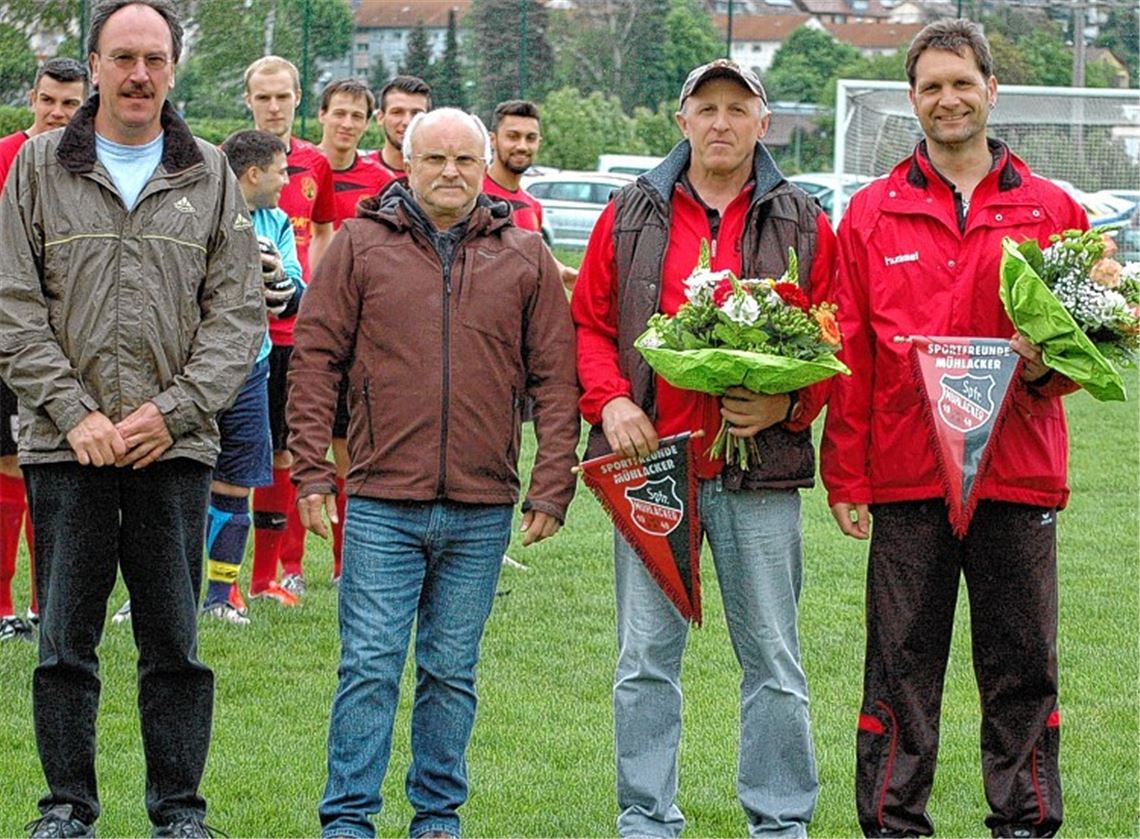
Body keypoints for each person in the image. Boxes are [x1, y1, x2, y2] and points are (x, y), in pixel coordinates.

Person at [819, 19, 1088, 839]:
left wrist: (1043, 367)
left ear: (991, 90)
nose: (948, 98)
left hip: (1016, 475)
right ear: (912, 100)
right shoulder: (868, 214)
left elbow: (1086, 351)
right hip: (907, 482)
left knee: (1021, 671)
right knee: (900, 674)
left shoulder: (1052, 210)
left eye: (961, 82)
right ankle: (895, 826)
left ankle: (1025, 825)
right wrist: (846, 477)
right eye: (931, 86)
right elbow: (850, 360)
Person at [0, 1, 264, 835]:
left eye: (154, 58)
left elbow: (237, 314)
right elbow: (12, 305)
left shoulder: (212, 173)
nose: (139, 73)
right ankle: (66, 806)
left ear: (173, 69)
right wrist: (74, 413)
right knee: (64, 645)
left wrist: (173, 410)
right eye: (123, 58)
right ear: (96, 64)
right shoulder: (37, 167)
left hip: (172, 451)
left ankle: (179, 810)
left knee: (175, 647)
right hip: (63, 446)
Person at [288, 107, 580, 839]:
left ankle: (437, 818)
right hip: (383, 499)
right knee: (369, 667)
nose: (450, 172)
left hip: (482, 506)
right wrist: (314, 472)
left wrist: (551, 482)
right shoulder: (357, 245)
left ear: (485, 169)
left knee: (451, 672)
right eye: (435, 159)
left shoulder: (525, 255)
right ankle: (348, 818)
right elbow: (315, 361)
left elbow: (555, 379)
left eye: (465, 161)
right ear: (406, 164)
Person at [571, 59, 837, 838]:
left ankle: (781, 819)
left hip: (761, 478)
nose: (721, 122)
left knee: (776, 664)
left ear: (765, 121)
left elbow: (833, 331)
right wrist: (612, 398)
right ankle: (647, 817)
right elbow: (588, 324)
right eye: (706, 108)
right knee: (645, 660)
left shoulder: (804, 218)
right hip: (652, 471)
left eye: (738, 107)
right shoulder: (629, 212)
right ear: (680, 121)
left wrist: (789, 401)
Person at [198, 128, 304, 625]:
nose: (287, 180)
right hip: (193, 368)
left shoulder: (277, 220)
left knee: (236, 482)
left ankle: (221, 595)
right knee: (174, 483)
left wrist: (277, 278)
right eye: (282, 171)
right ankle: (154, 594)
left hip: (252, 365)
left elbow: (294, 290)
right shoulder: (196, 209)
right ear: (254, 173)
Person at [0, 56, 89, 644]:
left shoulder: (96, 157)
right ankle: (5, 607)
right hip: (14, 332)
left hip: (75, 339)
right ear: (32, 98)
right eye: (48, 100)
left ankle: (47, 605)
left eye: (70, 104)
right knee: (10, 462)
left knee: (57, 466)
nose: (57, 114)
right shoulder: (6, 155)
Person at [244, 54, 336, 604]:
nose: (273, 106)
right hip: (238, 338)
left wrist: (309, 290)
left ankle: (268, 577)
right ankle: (211, 579)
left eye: (283, 97)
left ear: (298, 98)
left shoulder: (315, 164)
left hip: (292, 332)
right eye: (263, 97)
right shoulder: (226, 161)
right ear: (249, 100)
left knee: (284, 453)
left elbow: (322, 230)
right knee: (220, 458)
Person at [306, 77, 394, 583]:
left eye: (357, 116)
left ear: (368, 123)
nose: (346, 124)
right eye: (339, 113)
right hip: (290, 323)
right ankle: (281, 570)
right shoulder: (296, 167)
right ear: (321, 115)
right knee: (288, 448)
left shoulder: (379, 181)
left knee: (348, 445)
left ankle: (346, 565)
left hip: (355, 328)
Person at [484, 99, 578, 291]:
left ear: (539, 143)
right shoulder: (471, 194)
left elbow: (536, 256)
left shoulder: (532, 206)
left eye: (530, 138)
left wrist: (564, 273)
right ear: (492, 139)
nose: (522, 146)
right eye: (513, 136)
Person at [368, 74, 430, 178]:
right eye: (397, 112)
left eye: (416, 113)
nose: (407, 121)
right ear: (380, 118)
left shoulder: (441, 174)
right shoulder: (358, 173)